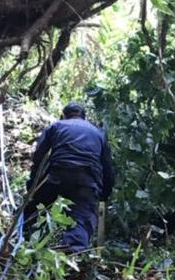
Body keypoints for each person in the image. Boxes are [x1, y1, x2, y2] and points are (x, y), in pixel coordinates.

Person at [25, 102, 116, 252]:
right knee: (82, 217)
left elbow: (38, 158)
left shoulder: (56, 126)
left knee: (37, 209)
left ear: (64, 115)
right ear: (84, 117)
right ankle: (71, 253)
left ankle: (28, 244)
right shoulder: (98, 134)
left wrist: (32, 188)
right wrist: (103, 195)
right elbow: (107, 169)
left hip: (56, 175)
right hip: (86, 180)